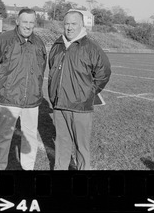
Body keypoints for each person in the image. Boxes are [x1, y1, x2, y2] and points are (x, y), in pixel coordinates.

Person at [48, 9, 111, 170]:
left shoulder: (91, 47)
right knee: (62, 145)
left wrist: (88, 93)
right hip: (60, 105)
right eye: (66, 24)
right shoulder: (58, 45)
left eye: (73, 24)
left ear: (82, 25)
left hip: (80, 108)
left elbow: (104, 72)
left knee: (81, 148)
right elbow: (53, 70)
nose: (69, 27)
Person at [0, 8, 47, 170]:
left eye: (31, 22)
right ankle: (0, 168)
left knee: (30, 137)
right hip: (9, 99)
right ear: (17, 21)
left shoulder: (39, 43)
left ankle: (28, 169)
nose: (28, 26)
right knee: (4, 137)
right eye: (25, 22)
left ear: (35, 23)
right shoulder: (3, 40)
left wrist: (35, 91)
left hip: (31, 101)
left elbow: (41, 70)